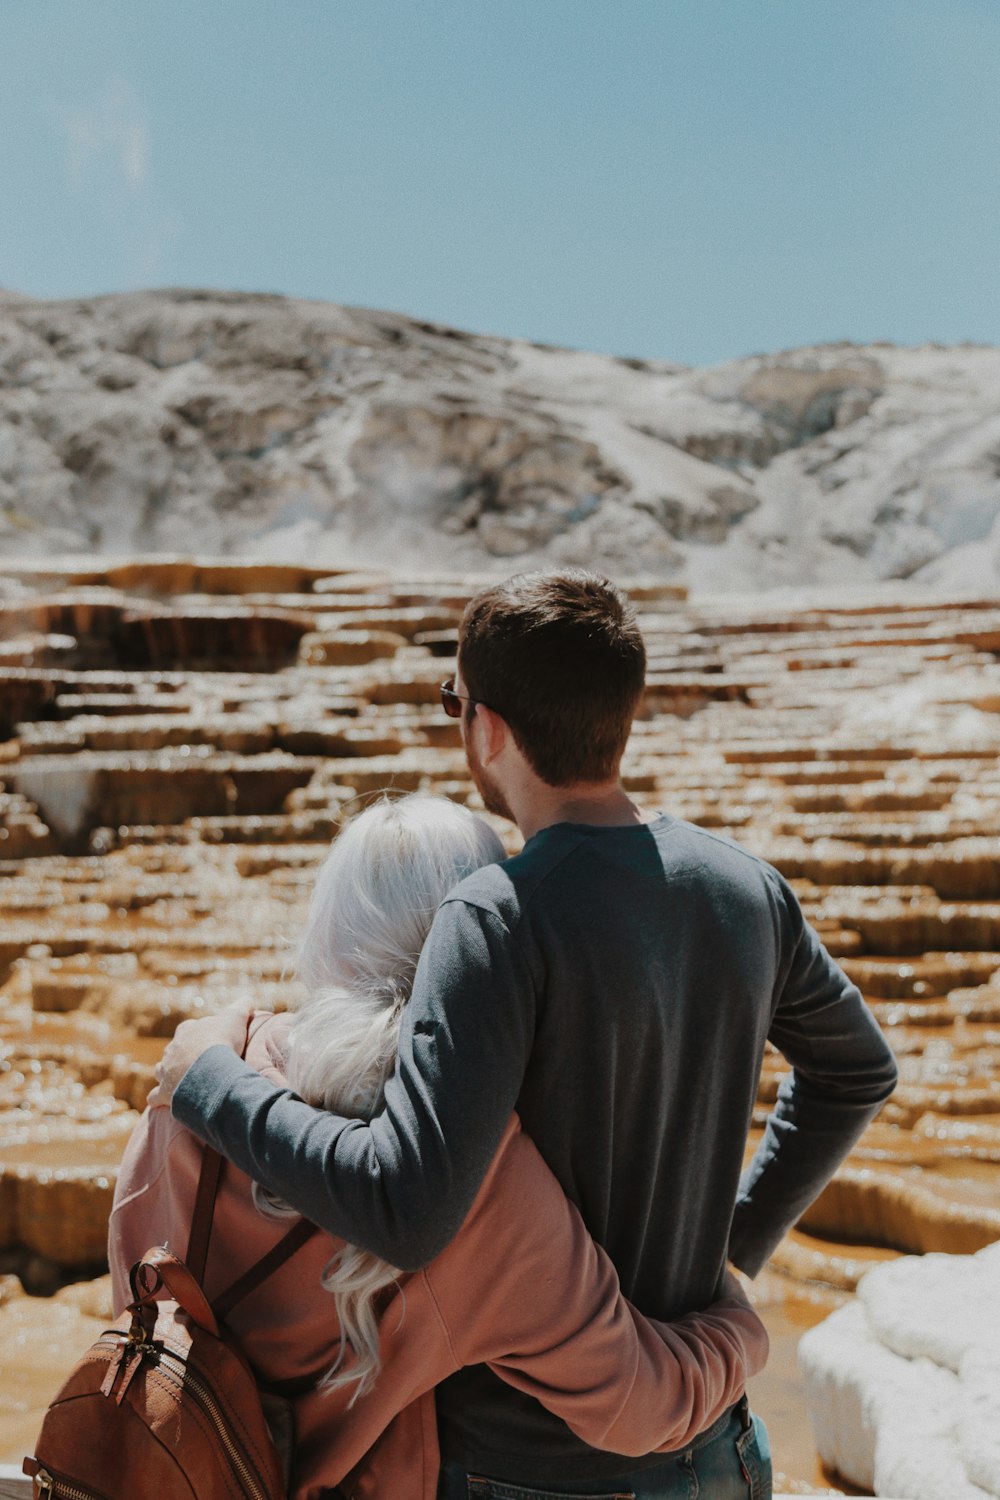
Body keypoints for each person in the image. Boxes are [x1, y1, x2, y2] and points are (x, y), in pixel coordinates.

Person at [153, 570, 898, 1500]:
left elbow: (407, 1204)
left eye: (453, 700)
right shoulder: (743, 887)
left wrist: (211, 1083)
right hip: (718, 1447)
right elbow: (858, 1071)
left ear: (488, 728)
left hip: (532, 1469)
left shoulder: (496, 916)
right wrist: (734, 1243)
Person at [115, 794, 768, 1500]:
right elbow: (641, 1407)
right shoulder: (479, 1174)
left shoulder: (197, 1077)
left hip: (167, 1468)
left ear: (327, 927)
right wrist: (740, 1324)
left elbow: (133, 1301)